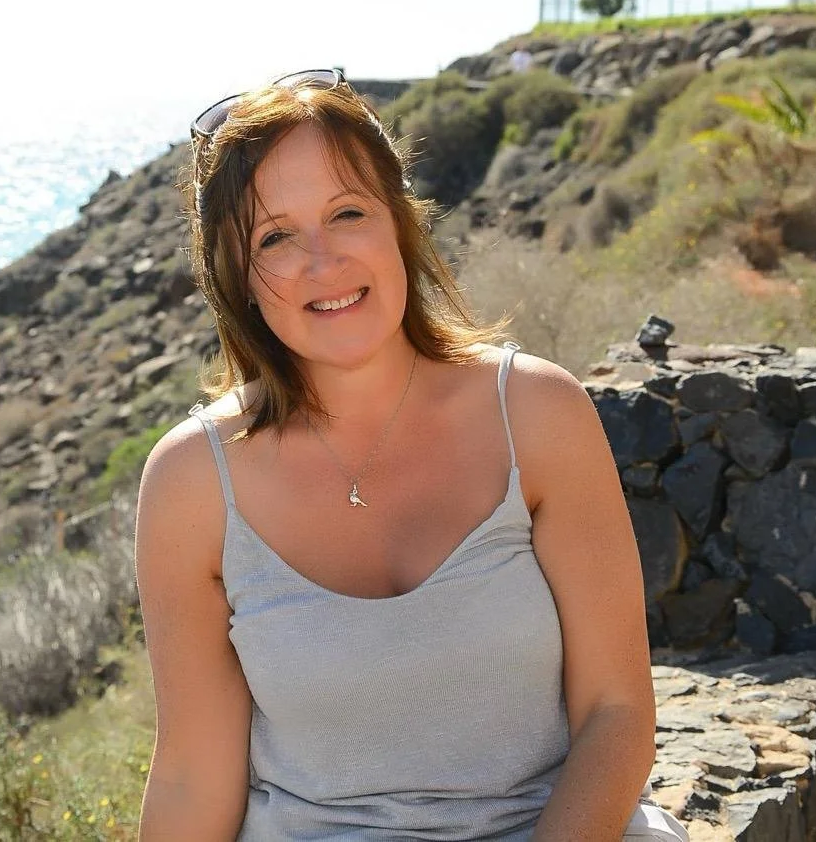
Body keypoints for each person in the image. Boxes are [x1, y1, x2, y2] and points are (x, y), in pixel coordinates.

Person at [135, 69, 688, 841]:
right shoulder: (193, 481)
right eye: (276, 236)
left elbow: (616, 712)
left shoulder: (537, 415)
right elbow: (195, 777)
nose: (322, 262)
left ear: (399, 223)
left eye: (347, 212)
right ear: (239, 277)